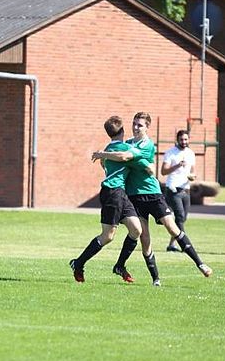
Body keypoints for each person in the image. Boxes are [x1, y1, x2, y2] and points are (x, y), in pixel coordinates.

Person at [95, 112, 212, 282]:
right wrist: (107, 159)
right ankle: (155, 279)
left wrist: (105, 155)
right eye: (134, 124)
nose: (136, 127)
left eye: (140, 125)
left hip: (152, 193)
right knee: (144, 238)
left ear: (147, 127)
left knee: (172, 227)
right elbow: (118, 160)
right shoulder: (127, 144)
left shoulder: (147, 145)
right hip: (134, 196)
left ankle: (200, 264)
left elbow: (127, 157)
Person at [69, 116, 144, 284]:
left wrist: (104, 155)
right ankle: (78, 263)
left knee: (136, 230)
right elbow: (125, 156)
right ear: (123, 131)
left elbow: (104, 162)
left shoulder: (108, 148)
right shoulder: (122, 148)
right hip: (112, 193)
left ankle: (119, 266)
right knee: (108, 236)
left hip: (120, 193)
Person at [161, 129, 196, 252]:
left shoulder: (191, 153)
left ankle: (171, 244)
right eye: (181, 139)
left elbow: (193, 172)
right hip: (173, 189)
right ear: (177, 140)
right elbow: (163, 171)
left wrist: (192, 177)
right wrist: (177, 165)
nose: (184, 142)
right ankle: (185, 245)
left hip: (186, 189)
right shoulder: (170, 153)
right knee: (180, 217)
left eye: (186, 139)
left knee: (182, 219)